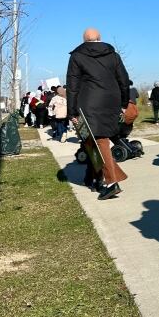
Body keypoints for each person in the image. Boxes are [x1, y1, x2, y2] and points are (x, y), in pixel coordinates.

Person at [66, 27, 130, 200]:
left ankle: (111, 182)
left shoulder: (77, 56)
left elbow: (72, 86)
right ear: (100, 38)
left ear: (84, 40)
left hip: (88, 103)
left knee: (98, 141)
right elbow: (124, 80)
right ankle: (93, 177)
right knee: (91, 142)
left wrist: (71, 111)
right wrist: (124, 103)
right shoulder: (113, 55)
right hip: (112, 102)